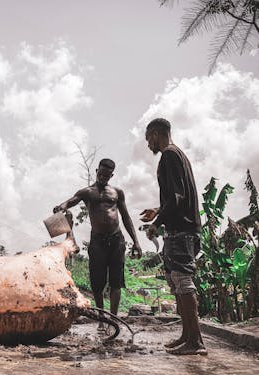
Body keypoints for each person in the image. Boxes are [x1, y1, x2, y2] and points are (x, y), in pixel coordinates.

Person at [140, 118, 207, 355]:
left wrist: (157, 224)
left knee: (183, 282)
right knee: (178, 283)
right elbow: (179, 197)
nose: (148, 145)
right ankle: (187, 335)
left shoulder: (169, 155)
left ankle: (195, 342)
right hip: (184, 229)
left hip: (181, 231)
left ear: (157, 134)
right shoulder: (179, 155)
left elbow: (177, 198)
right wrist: (158, 210)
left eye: (149, 139)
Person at [54, 159, 141, 323]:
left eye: (106, 175)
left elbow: (126, 217)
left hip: (117, 240)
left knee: (116, 281)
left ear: (111, 175)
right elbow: (72, 200)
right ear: (96, 171)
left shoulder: (117, 193)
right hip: (97, 241)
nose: (102, 177)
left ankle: (113, 317)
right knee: (97, 281)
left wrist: (136, 241)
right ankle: (102, 316)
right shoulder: (87, 192)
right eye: (100, 173)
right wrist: (62, 206)